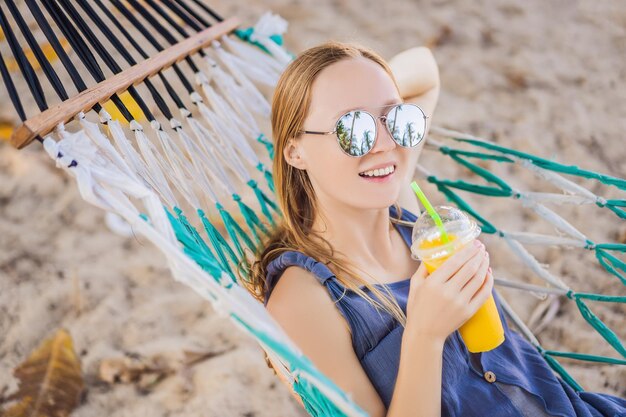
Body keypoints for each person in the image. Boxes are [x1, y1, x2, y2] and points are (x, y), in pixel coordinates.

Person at [243, 41, 626, 417]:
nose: (386, 144)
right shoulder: (303, 301)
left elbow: (424, 71)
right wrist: (424, 336)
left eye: (397, 119)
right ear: (295, 151)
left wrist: (362, 80)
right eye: (353, 128)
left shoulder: (407, 216)